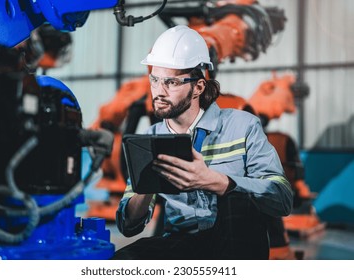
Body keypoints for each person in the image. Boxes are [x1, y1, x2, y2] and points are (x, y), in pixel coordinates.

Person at [113, 25, 293, 260]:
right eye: (155, 80)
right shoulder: (150, 137)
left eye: (172, 82)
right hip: (183, 244)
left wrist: (216, 182)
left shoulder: (243, 126)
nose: (159, 91)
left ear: (198, 87)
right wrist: (145, 187)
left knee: (235, 204)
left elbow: (281, 199)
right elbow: (128, 227)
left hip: (237, 245)